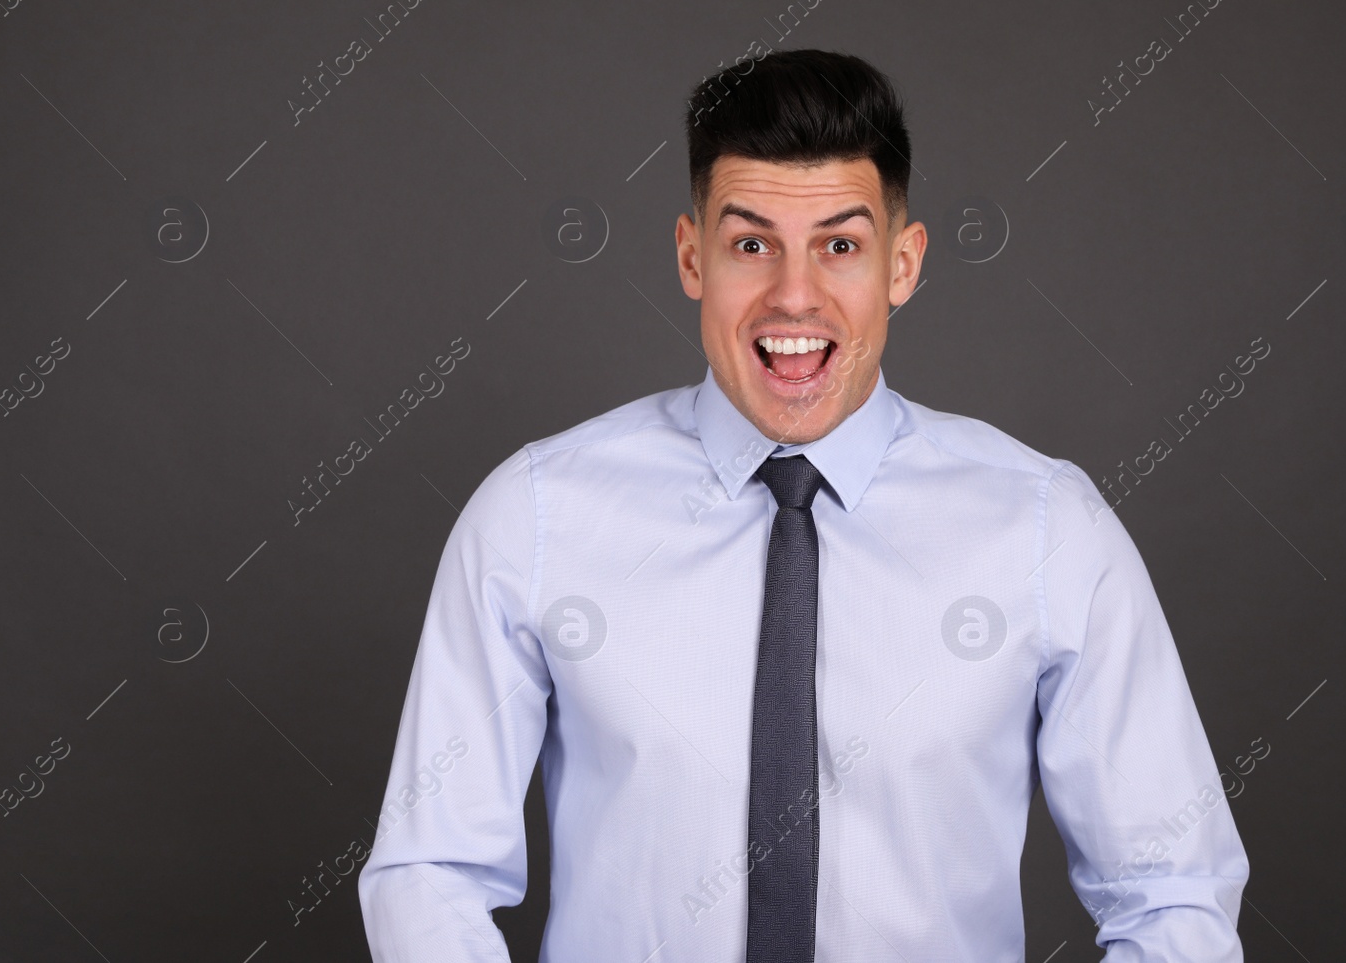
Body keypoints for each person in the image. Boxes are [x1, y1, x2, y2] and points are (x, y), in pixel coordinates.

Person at [358, 48, 1249, 961]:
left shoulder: (1047, 528)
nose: (794, 295)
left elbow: (1172, 896)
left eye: (840, 245)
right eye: (751, 244)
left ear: (902, 265)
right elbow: (432, 875)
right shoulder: (536, 516)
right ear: (689, 256)